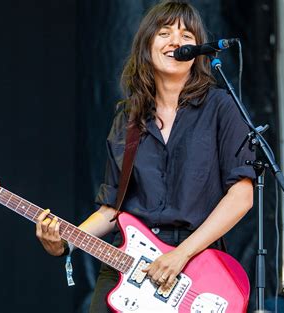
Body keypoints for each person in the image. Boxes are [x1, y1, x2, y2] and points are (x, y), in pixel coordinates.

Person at [36, 1, 256, 312]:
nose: (176, 42)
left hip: (195, 262)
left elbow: (242, 195)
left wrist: (182, 253)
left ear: (197, 52)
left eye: (186, 35)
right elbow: (112, 208)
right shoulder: (128, 118)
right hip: (127, 262)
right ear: (147, 46)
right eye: (164, 33)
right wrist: (67, 241)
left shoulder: (221, 107)